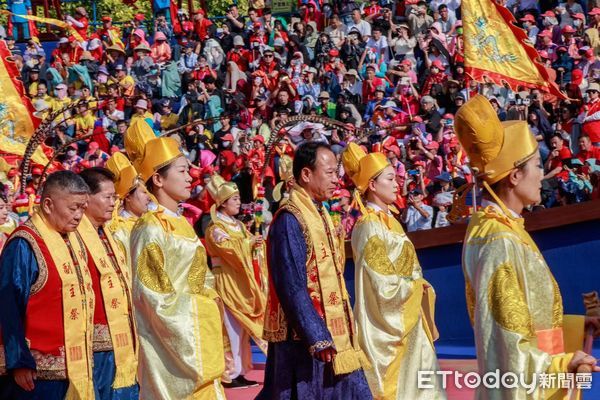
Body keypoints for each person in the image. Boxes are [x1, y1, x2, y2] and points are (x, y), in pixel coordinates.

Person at [455, 95, 600, 399]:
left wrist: (575, 326)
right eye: (536, 164)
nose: (541, 172)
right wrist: (563, 364)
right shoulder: (498, 241)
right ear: (515, 174)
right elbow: (508, 345)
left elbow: (529, 316)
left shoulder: (505, 228)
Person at [257, 142, 372, 400]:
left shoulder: (320, 214)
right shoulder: (289, 219)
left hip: (334, 333)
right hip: (304, 341)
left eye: (337, 173)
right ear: (306, 174)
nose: (337, 180)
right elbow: (291, 284)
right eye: (330, 173)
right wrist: (317, 336)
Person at [126, 119, 226, 399]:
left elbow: (200, 275)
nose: (190, 177)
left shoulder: (181, 223)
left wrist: (209, 297)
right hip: (172, 350)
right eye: (182, 171)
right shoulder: (149, 227)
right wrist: (202, 308)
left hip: (197, 336)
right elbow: (152, 295)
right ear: (157, 179)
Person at [342, 143, 446, 399]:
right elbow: (381, 284)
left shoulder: (392, 223)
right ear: (373, 185)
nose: (398, 183)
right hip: (391, 325)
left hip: (410, 321)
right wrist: (414, 285)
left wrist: (419, 284)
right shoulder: (368, 226)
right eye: (390, 178)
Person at [0, 171, 95, 399]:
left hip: (77, 366)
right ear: (49, 204)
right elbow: (8, 306)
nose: (79, 215)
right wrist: (18, 360)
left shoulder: (72, 239)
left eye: (83, 208)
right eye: (73, 208)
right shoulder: (24, 244)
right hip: (36, 374)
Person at [77, 167, 138, 399]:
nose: (113, 203)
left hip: (122, 335)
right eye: (108, 197)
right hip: (94, 345)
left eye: (115, 197)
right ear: (86, 198)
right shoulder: (75, 236)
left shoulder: (108, 234)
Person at [204, 174, 267, 389]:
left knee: (240, 332)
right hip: (227, 282)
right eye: (234, 199)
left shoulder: (239, 227)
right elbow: (229, 250)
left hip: (241, 282)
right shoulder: (215, 229)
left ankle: (240, 370)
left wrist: (256, 244)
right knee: (230, 330)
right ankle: (229, 373)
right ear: (222, 203)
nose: (239, 202)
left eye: (239, 198)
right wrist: (249, 244)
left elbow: (247, 245)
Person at [105, 151, 151, 274]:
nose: (149, 197)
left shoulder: (150, 223)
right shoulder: (120, 231)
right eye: (144, 193)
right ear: (128, 197)